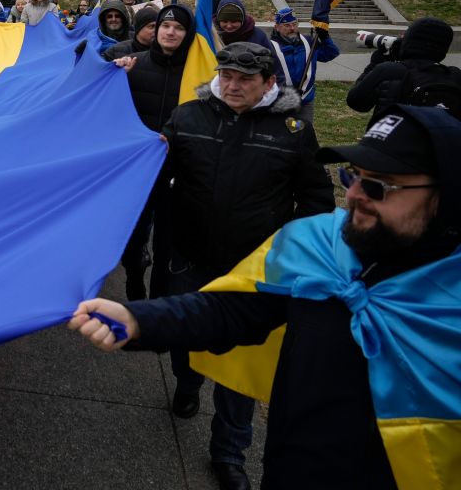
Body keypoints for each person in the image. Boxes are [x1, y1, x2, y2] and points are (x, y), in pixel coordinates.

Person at [70, 104, 461, 490]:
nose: (355, 195)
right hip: (288, 469)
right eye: (352, 176)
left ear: (445, 195)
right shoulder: (321, 247)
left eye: (378, 186)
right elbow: (233, 309)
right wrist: (139, 321)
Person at [121, 42, 334, 487]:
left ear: (269, 83)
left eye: (245, 79)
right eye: (227, 76)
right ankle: (187, 383)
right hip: (190, 259)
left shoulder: (293, 131)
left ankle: (230, 453)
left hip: (254, 273)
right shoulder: (188, 116)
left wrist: (286, 251)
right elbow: (151, 172)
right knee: (187, 338)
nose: (232, 86)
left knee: (240, 361)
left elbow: (315, 201)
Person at [112, 4, 195, 300]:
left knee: (167, 246)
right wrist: (115, 75)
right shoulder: (133, 65)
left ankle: (159, 305)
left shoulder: (197, 74)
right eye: (165, 26)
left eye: (179, 28)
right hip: (139, 173)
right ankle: (135, 286)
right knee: (133, 240)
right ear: (156, 30)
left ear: (188, 34)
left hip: (179, 174)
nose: (171, 32)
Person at [347, 16, 461, 124]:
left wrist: (374, 64)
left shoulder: (389, 70)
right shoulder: (455, 75)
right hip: (441, 142)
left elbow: (356, 102)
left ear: (409, 40)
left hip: (392, 141)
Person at [267, 7, 339, 122]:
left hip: (305, 101)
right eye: (287, 25)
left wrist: (325, 36)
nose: (292, 28)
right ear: (277, 27)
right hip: (280, 102)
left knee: (304, 134)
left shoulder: (308, 42)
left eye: (294, 24)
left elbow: (330, 54)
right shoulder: (270, 47)